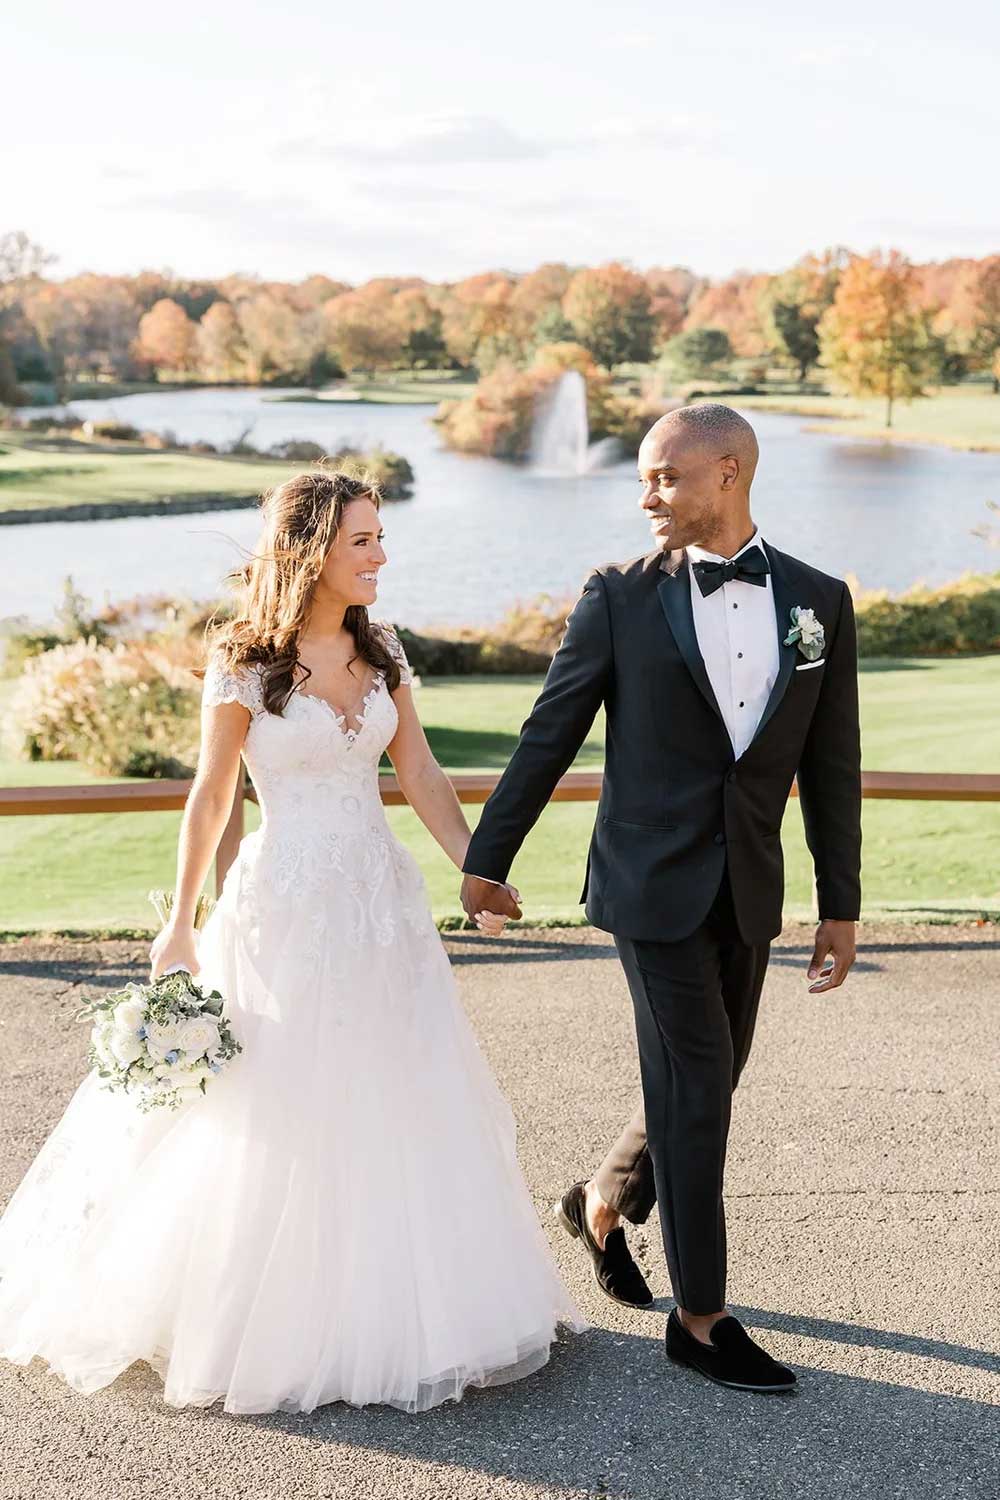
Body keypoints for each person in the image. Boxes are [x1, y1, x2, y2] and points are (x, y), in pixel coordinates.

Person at [0, 470, 582, 1415]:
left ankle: (404, 1308)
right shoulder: (243, 657)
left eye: (382, 538)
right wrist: (180, 921)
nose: (381, 555)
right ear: (312, 550)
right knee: (278, 1105)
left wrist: (476, 868)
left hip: (379, 902)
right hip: (285, 906)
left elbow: (421, 770)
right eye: (363, 541)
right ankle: (264, 1318)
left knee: (397, 1093)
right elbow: (212, 795)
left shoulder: (383, 647)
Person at [461, 404, 862, 1393]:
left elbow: (833, 760)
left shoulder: (816, 603)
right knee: (695, 1088)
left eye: (663, 478)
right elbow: (547, 733)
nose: (644, 496)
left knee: (709, 1082)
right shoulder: (618, 597)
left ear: (727, 474)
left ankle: (600, 1200)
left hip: (749, 888)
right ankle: (700, 1317)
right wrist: (487, 856)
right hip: (646, 885)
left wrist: (839, 903)